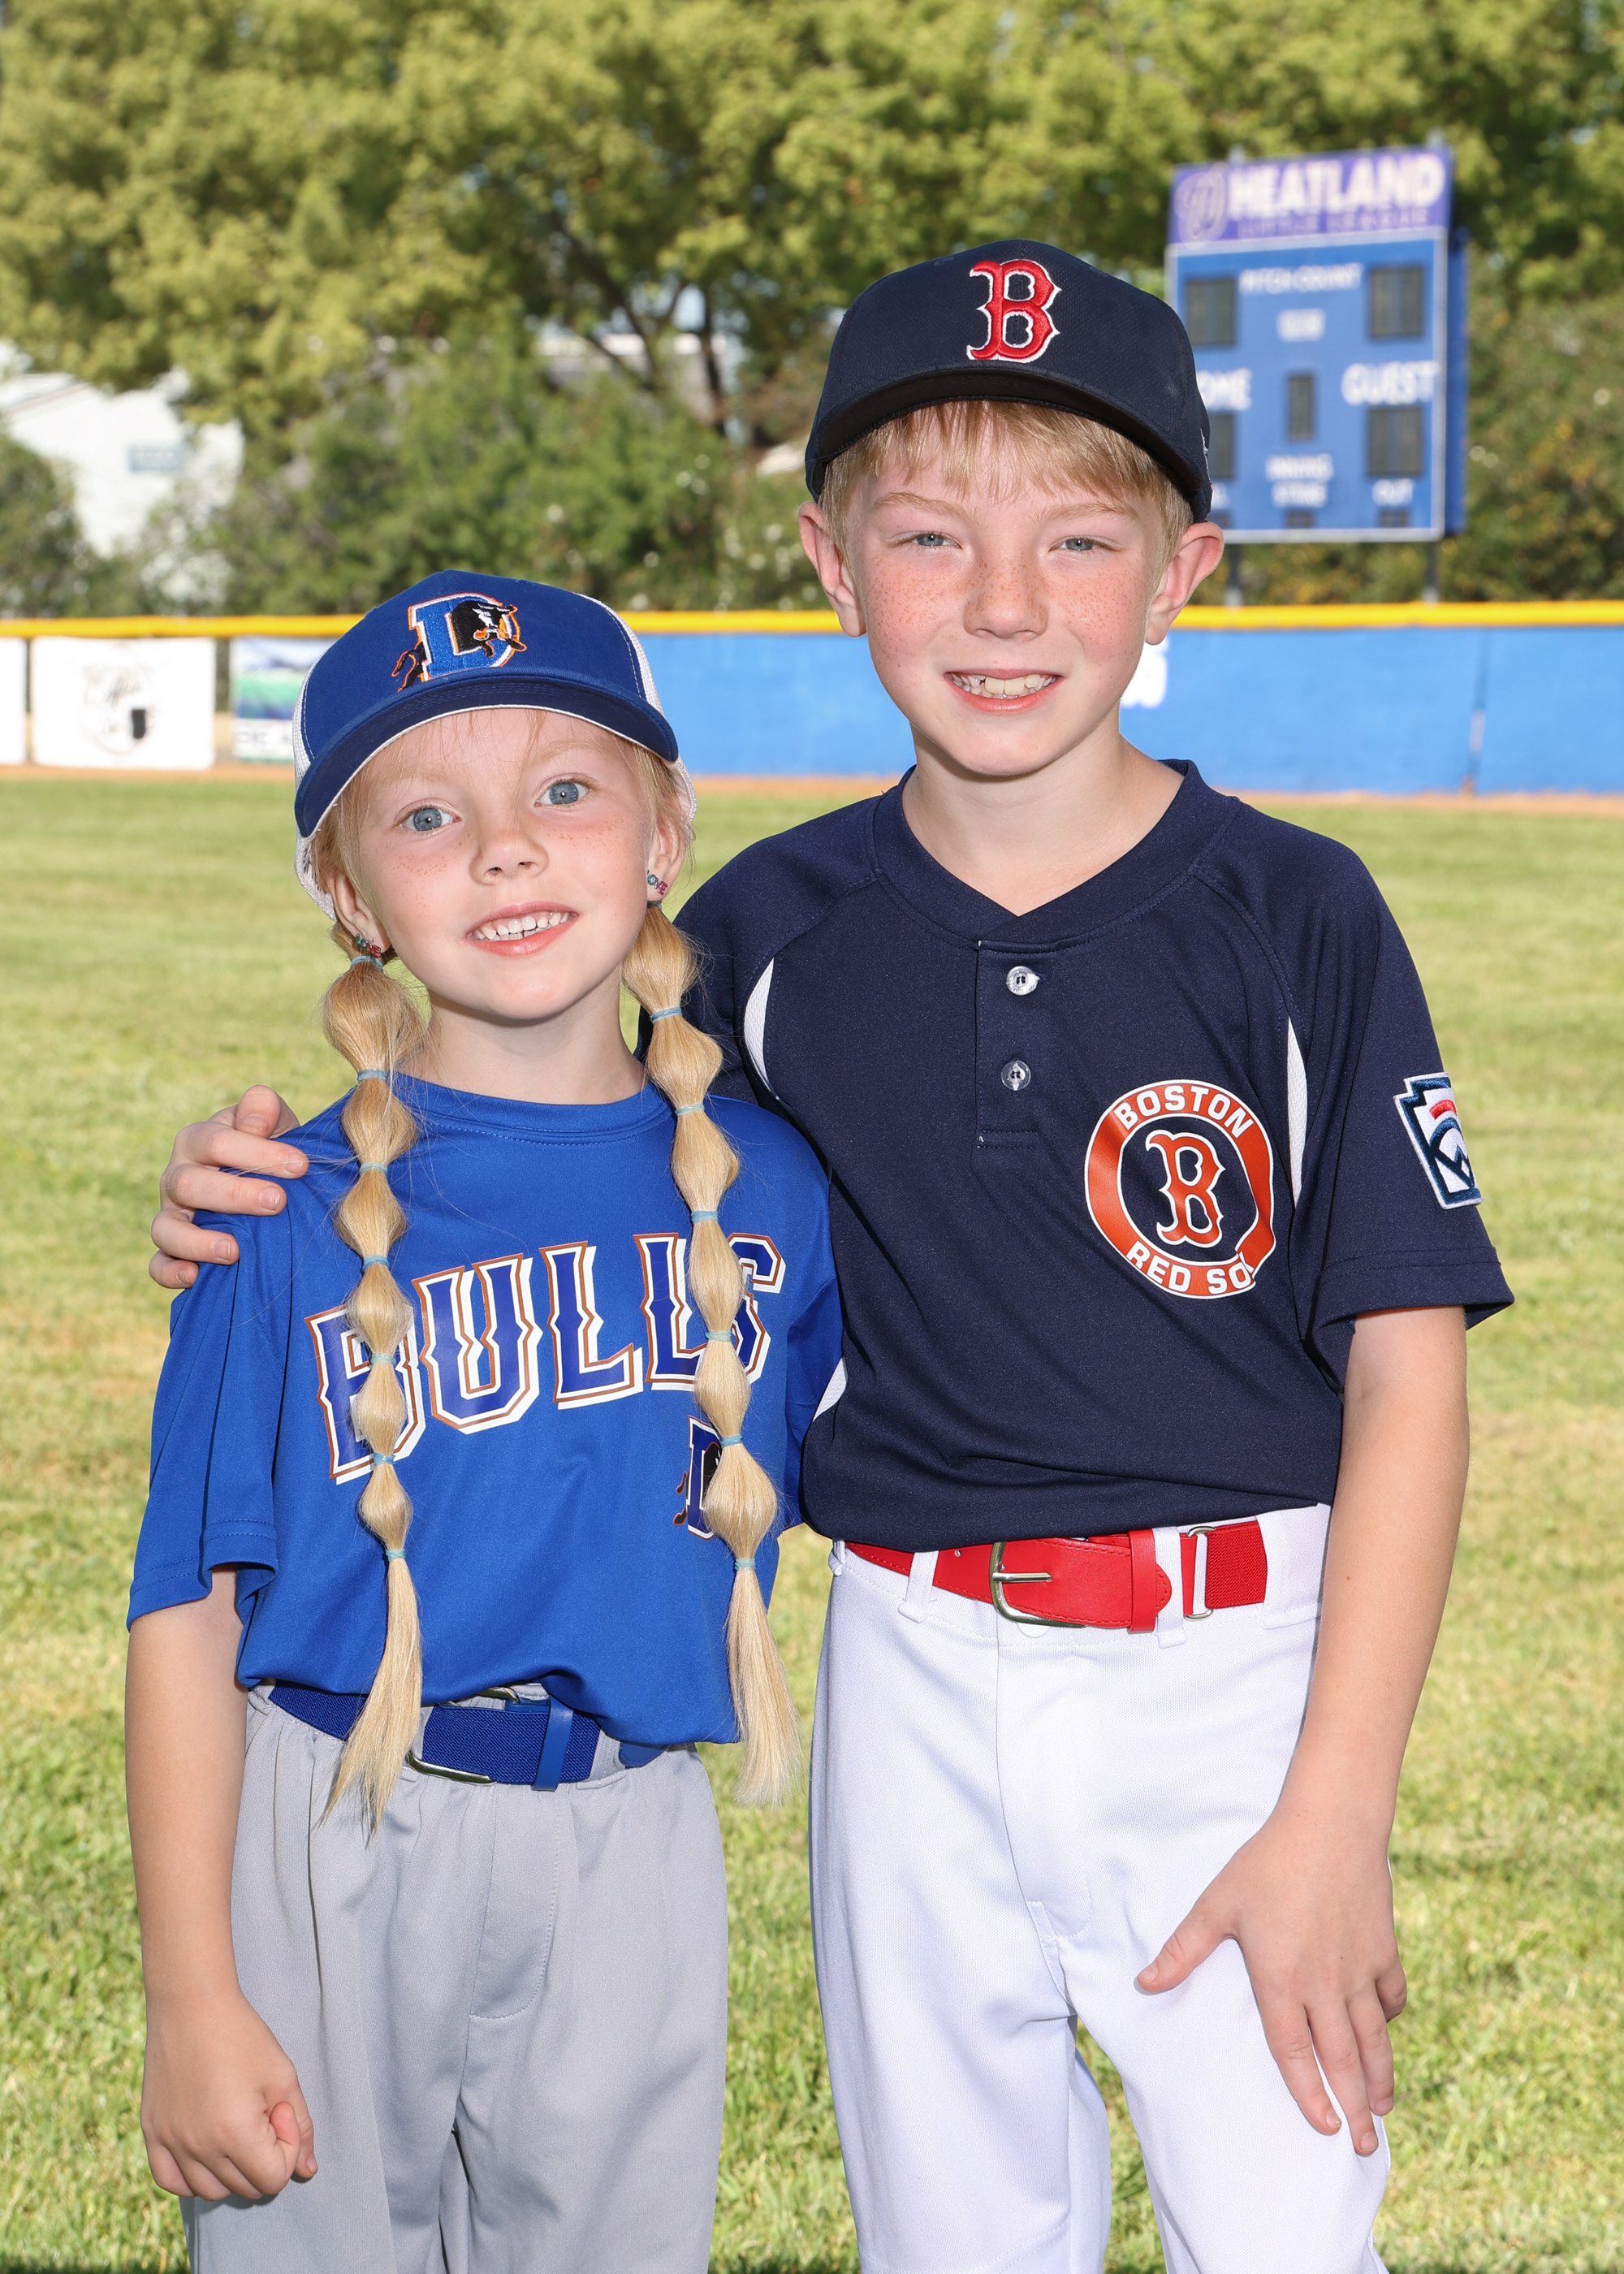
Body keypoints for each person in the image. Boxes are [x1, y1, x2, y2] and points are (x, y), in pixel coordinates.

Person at [149, 248, 1513, 2274]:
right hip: (907, 1661)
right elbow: (540, 1113)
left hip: (1236, 1670)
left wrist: (1337, 1805)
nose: (1001, 602)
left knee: (1286, 2235)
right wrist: (246, 1176)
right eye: (928, 535)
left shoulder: (1296, 910)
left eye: (1077, 539)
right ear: (827, 561)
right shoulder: (761, 934)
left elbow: (1408, 1373)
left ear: (1183, 571)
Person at [127, 571, 842, 2274]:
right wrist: (191, 1993)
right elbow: (184, 1610)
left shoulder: (771, 1187)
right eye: (428, 816)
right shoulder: (279, 1207)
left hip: (631, 1837)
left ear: (665, 835)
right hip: (332, 1819)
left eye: (566, 790)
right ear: (349, 894)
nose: (507, 851)